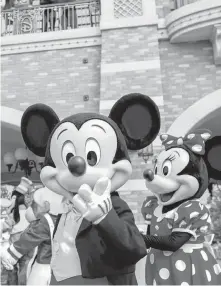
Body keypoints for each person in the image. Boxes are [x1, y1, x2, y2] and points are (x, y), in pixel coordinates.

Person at [1, 187, 63, 285]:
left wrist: (10, 254)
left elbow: (30, 237)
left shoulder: (45, 220)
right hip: (62, 266)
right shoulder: (66, 217)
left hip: (44, 265)